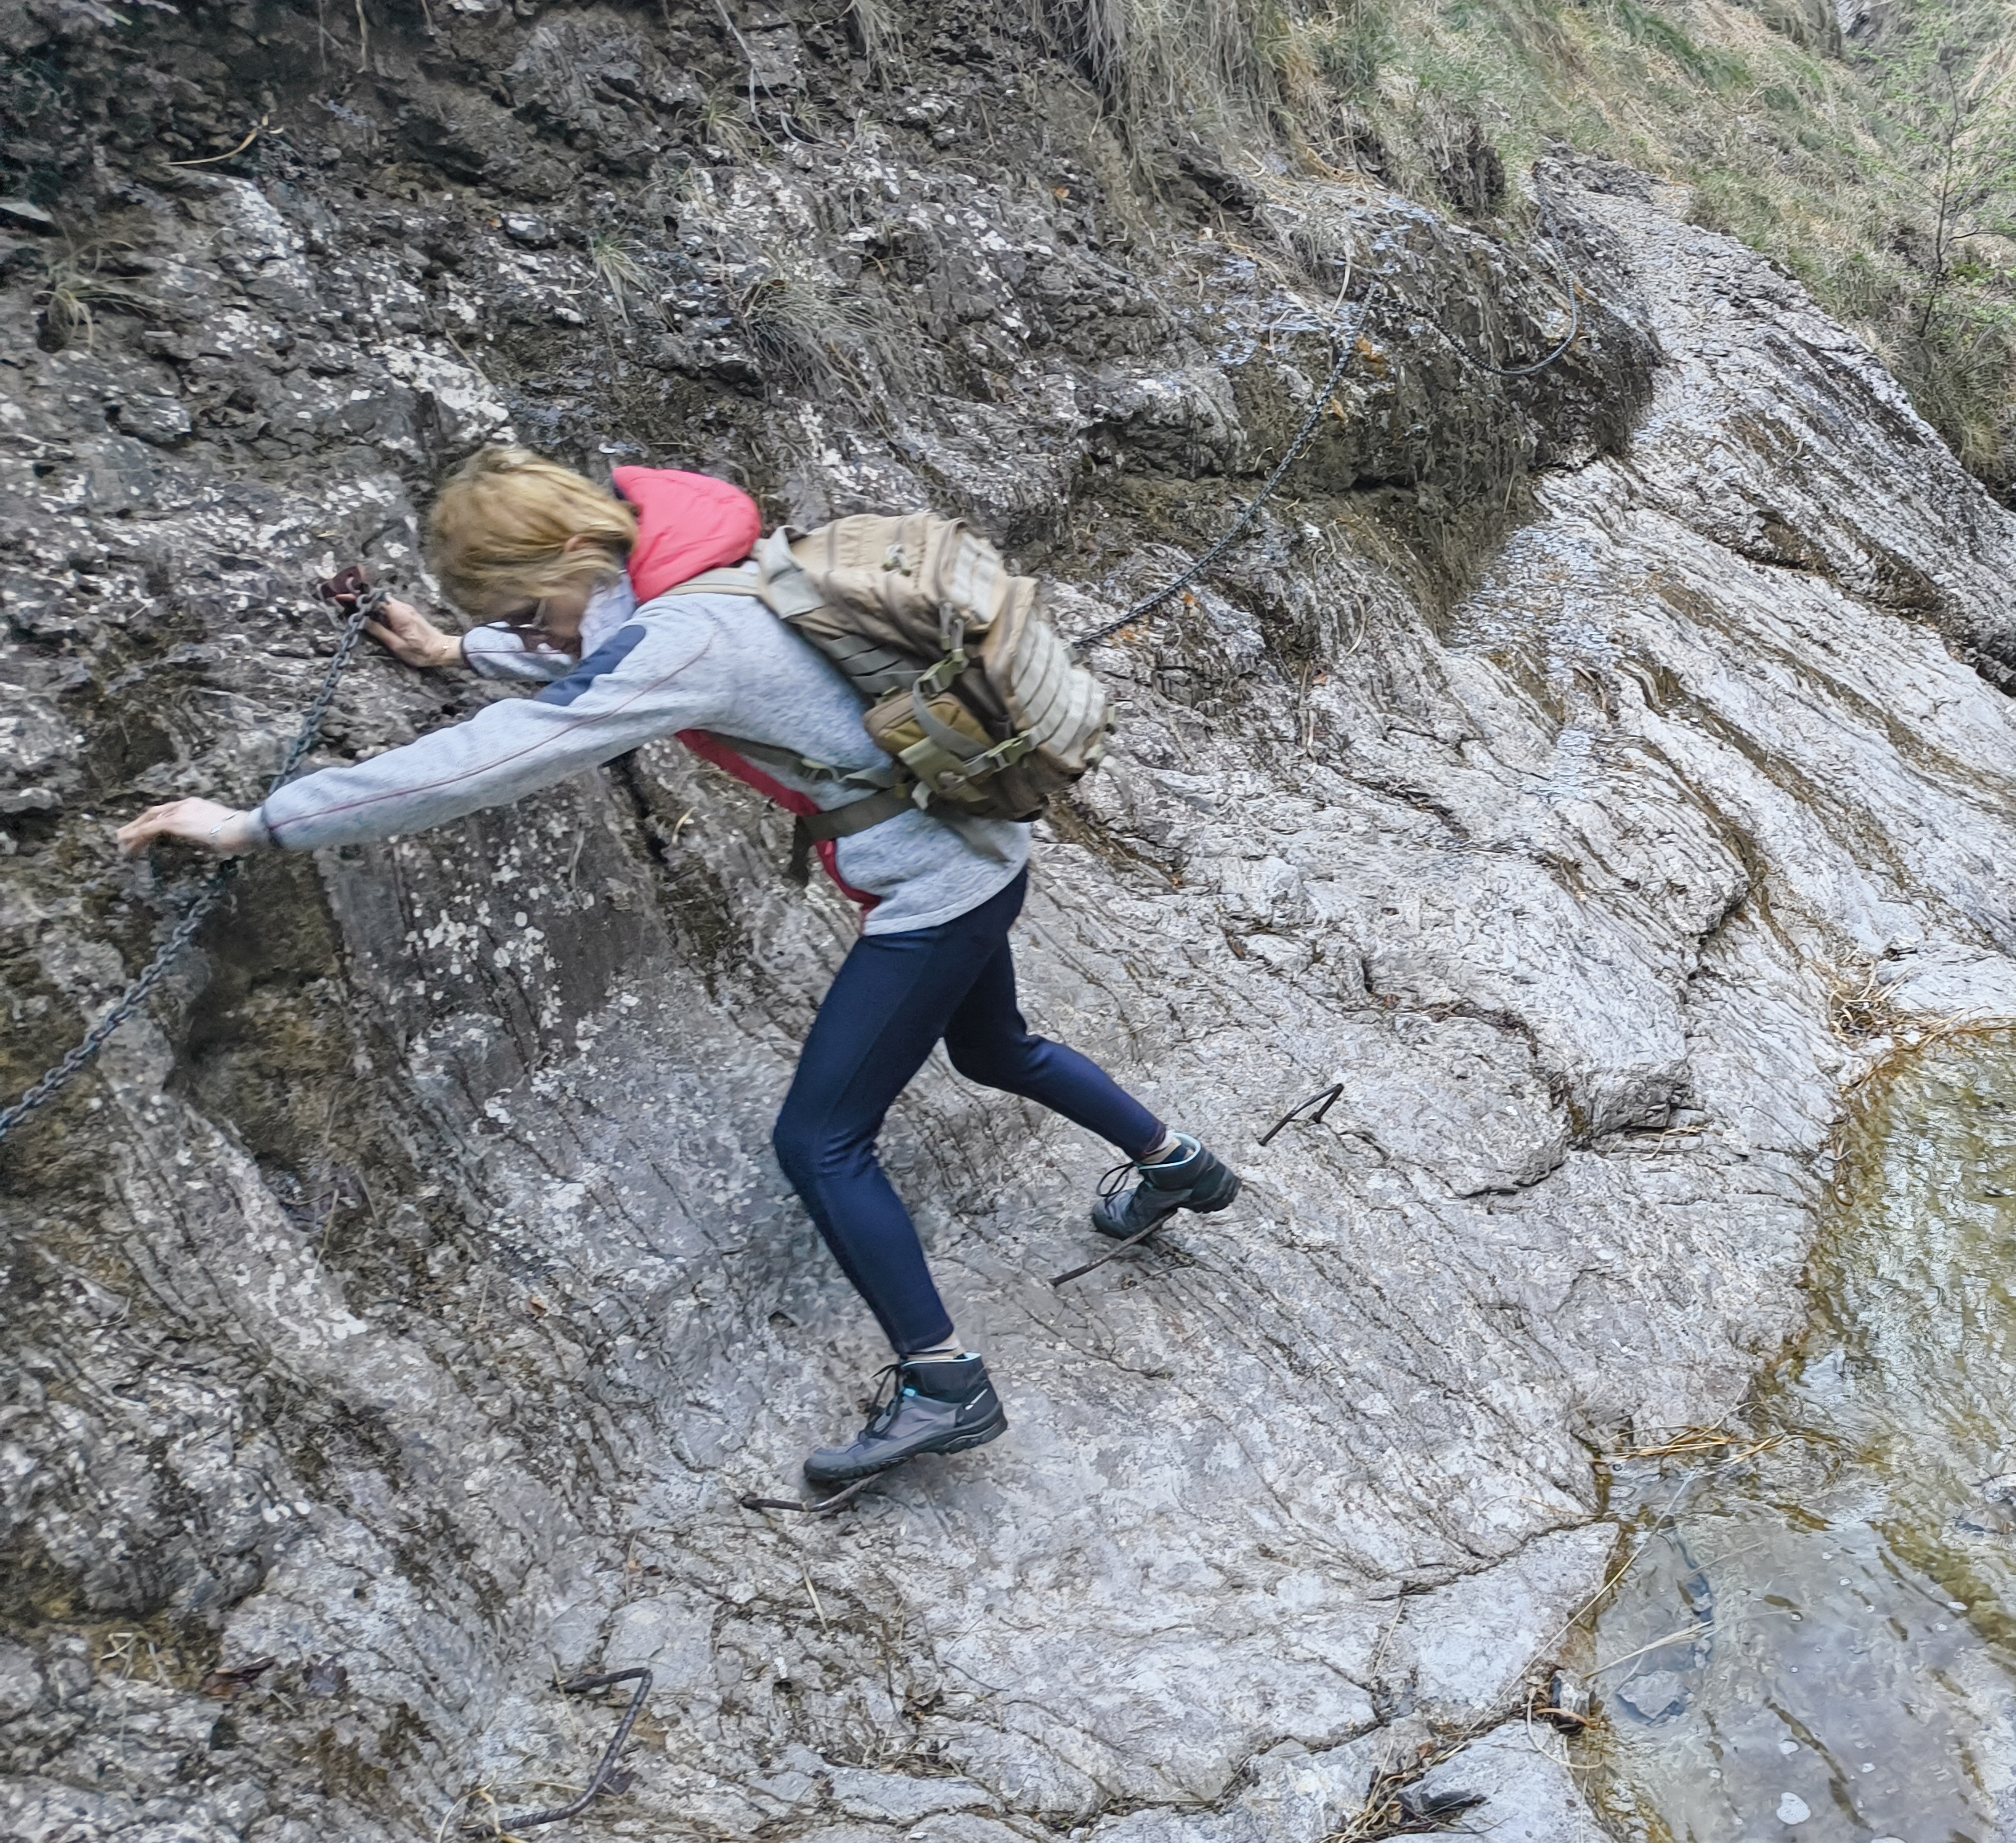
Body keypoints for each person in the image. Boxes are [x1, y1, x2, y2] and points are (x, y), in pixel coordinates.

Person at [116, 449, 1240, 1487]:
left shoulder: (690, 643)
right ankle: (1178, 1164)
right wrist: (461, 649)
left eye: (523, 608)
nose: (532, 634)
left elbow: (511, 748)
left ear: (568, 558)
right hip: (980, 856)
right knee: (995, 1046)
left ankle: (942, 1381)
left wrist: (262, 822)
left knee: (821, 1140)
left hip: (935, 891)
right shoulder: (693, 572)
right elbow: (592, 648)